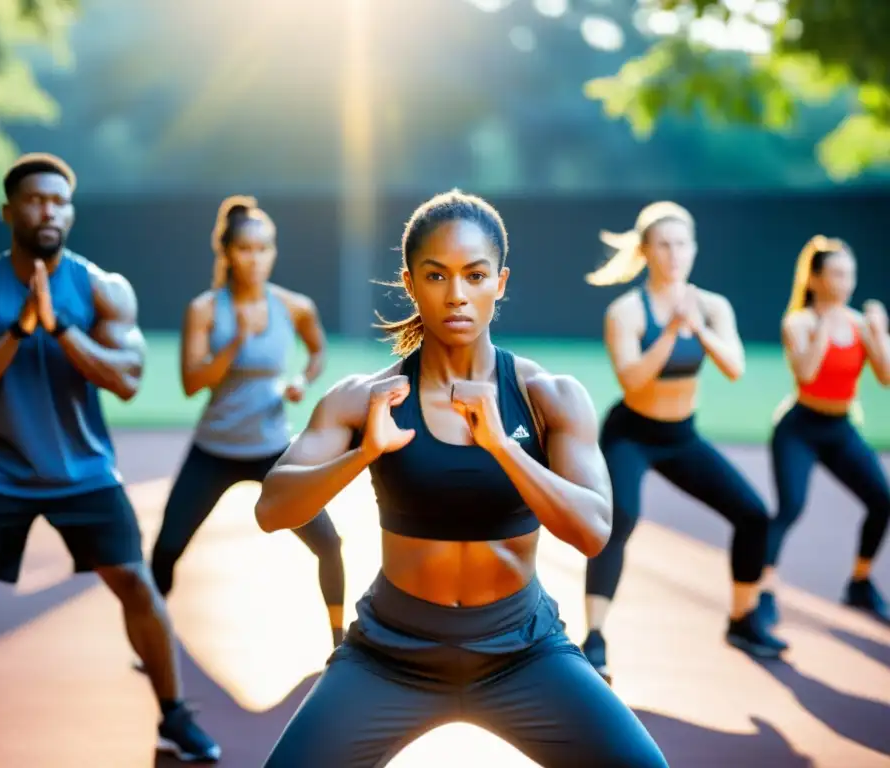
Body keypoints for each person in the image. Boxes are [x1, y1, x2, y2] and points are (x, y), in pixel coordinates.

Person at [254, 190, 669, 767]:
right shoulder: (361, 398)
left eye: (474, 276)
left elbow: (594, 531)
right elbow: (271, 510)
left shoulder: (549, 397)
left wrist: (503, 447)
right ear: (410, 282)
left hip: (522, 651)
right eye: (436, 275)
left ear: (499, 282)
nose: (456, 295)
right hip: (390, 654)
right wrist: (363, 454)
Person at [0, 153, 220, 766]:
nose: (49, 210)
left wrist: (59, 330)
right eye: (35, 200)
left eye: (59, 201)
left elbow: (129, 378)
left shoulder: (103, 287)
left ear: (71, 211)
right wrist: (17, 330)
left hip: (83, 470)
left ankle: (174, 716)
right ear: (10, 212)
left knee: (136, 584)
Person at [581, 201, 786, 685]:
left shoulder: (712, 306)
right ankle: (593, 638)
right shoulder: (626, 311)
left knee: (754, 514)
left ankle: (742, 619)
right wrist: (672, 332)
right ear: (647, 251)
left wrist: (697, 328)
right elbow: (632, 381)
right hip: (631, 433)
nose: (674, 254)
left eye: (682, 244)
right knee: (621, 518)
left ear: (694, 249)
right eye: (664, 245)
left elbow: (734, 368)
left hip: (681, 435)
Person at [149, 195, 346, 647]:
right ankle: (153, 641)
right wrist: (235, 341)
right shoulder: (204, 310)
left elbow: (317, 351)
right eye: (245, 249)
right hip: (214, 450)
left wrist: (301, 379)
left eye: (264, 249)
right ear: (228, 254)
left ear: (273, 252)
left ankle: (340, 643)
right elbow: (191, 382)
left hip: (272, 450)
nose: (255, 259)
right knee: (165, 550)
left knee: (329, 544)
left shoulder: (294, 306)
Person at [759, 235, 890, 628]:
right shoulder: (798, 322)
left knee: (882, 501)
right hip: (799, 428)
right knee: (791, 508)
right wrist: (826, 325)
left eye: (849, 274)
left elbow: (885, 377)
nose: (844, 282)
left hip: (839, 428)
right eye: (835, 273)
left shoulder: (861, 323)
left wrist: (879, 333)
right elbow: (806, 374)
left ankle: (860, 581)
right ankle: (765, 589)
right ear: (814, 279)